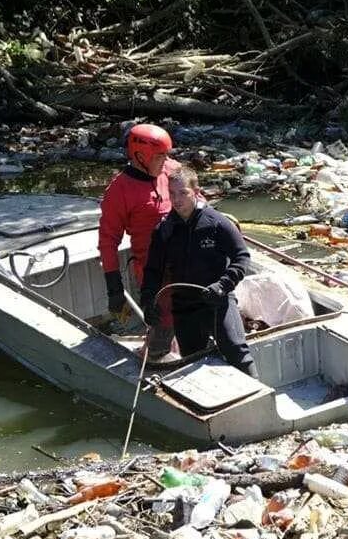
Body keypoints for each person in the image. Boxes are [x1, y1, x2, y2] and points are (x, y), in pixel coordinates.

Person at [139, 166, 258, 377]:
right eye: (172, 193)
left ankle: (258, 400)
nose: (177, 199)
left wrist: (223, 285)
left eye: (183, 193)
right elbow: (153, 270)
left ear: (195, 191)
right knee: (193, 360)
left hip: (218, 301)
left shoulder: (217, 223)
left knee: (236, 350)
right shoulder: (164, 230)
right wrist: (148, 300)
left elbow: (242, 258)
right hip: (184, 306)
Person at [98, 123, 179, 353]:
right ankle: (154, 358)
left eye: (166, 155)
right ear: (140, 155)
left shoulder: (171, 170)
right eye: (159, 156)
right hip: (153, 269)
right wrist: (114, 288)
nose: (165, 161)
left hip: (185, 259)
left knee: (199, 311)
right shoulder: (119, 190)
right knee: (163, 323)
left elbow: (196, 199)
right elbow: (108, 241)